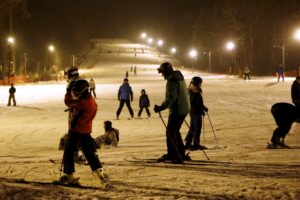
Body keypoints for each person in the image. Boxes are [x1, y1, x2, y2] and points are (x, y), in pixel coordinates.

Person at [59, 79, 107, 188]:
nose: (75, 94)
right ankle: (99, 172)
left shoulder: (82, 103)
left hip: (76, 129)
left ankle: (69, 174)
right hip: (86, 129)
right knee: (88, 152)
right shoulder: (92, 101)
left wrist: (67, 92)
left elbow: (69, 102)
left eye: (77, 92)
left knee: (69, 150)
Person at [154, 62, 190, 163]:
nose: (162, 75)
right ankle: (180, 152)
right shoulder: (179, 77)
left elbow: (171, 98)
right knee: (174, 130)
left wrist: (161, 107)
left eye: (162, 72)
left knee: (170, 131)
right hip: (184, 108)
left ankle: (173, 154)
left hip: (178, 109)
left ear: (167, 71)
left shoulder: (172, 81)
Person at [185, 77, 208, 150]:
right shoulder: (196, 93)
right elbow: (197, 105)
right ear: (198, 84)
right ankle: (195, 144)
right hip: (196, 113)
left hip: (193, 113)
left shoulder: (192, 91)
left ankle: (188, 144)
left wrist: (204, 108)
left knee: (192, 128)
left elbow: (197, 104)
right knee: (197, 129)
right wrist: (202, 110)